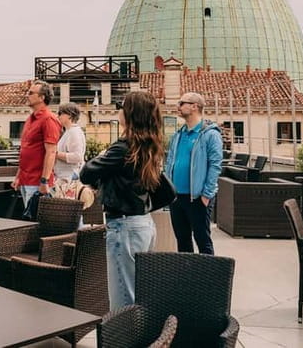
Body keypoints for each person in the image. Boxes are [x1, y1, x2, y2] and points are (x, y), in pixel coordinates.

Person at [80, 91, 164, 310]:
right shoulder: (148, 145)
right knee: (139, 294)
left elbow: (86, 173)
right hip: (143, 223)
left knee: (123, 302)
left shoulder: (123, 147)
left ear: (130, 113)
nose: (118, 110)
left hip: (124, 228)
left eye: (122, 107)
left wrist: (103, 154)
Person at [164, 92, 223, 255]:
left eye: (181, 103)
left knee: (202, 240)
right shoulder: (178, 134)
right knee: (182, 240)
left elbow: (215, 166)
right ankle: (187, 278)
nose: (178, 106)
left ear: (194, 107)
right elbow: (170, 161)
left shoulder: (210, 134)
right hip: (177, 197)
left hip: (197, 197)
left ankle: (208, 279)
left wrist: (206, 195)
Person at [12, 81, 61, 207]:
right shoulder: (30, 119)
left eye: (31, 93)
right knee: (29, 220)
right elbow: (25, 150)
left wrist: (44, 181)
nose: (27, 95)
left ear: (42, 97)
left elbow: (51, 152)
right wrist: (18, 176)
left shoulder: (49, 119)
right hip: (25, 180)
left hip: (37, 182)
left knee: (37, 222)